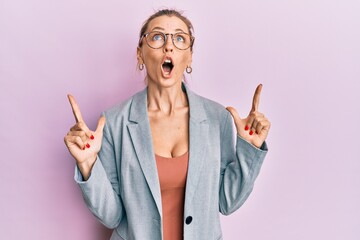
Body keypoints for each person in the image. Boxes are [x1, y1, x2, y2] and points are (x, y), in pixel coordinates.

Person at [64, 9, 270, 240]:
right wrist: (88, 163)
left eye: (180, 38)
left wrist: (249, 149)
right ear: (140, 54)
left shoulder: (217, 118)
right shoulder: (114, 121)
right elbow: (111, 216)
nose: (169, 46)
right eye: (158, 37)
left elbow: (227, 202)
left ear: (190, 56)